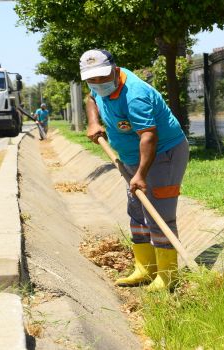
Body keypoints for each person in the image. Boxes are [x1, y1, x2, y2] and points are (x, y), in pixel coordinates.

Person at [80, 49, 189, 291]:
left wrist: (140, 174)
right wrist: (93, 122)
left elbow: (149, 136)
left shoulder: (135, 95)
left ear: (115, 70)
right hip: (130, 157)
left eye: (102, 78)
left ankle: (167, 276)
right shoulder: (98, 86)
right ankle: (145, 269)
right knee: (137, 210)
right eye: (92, 79)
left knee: (159, 213)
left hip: (163, 154)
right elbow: (91, 99)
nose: (97, 83)